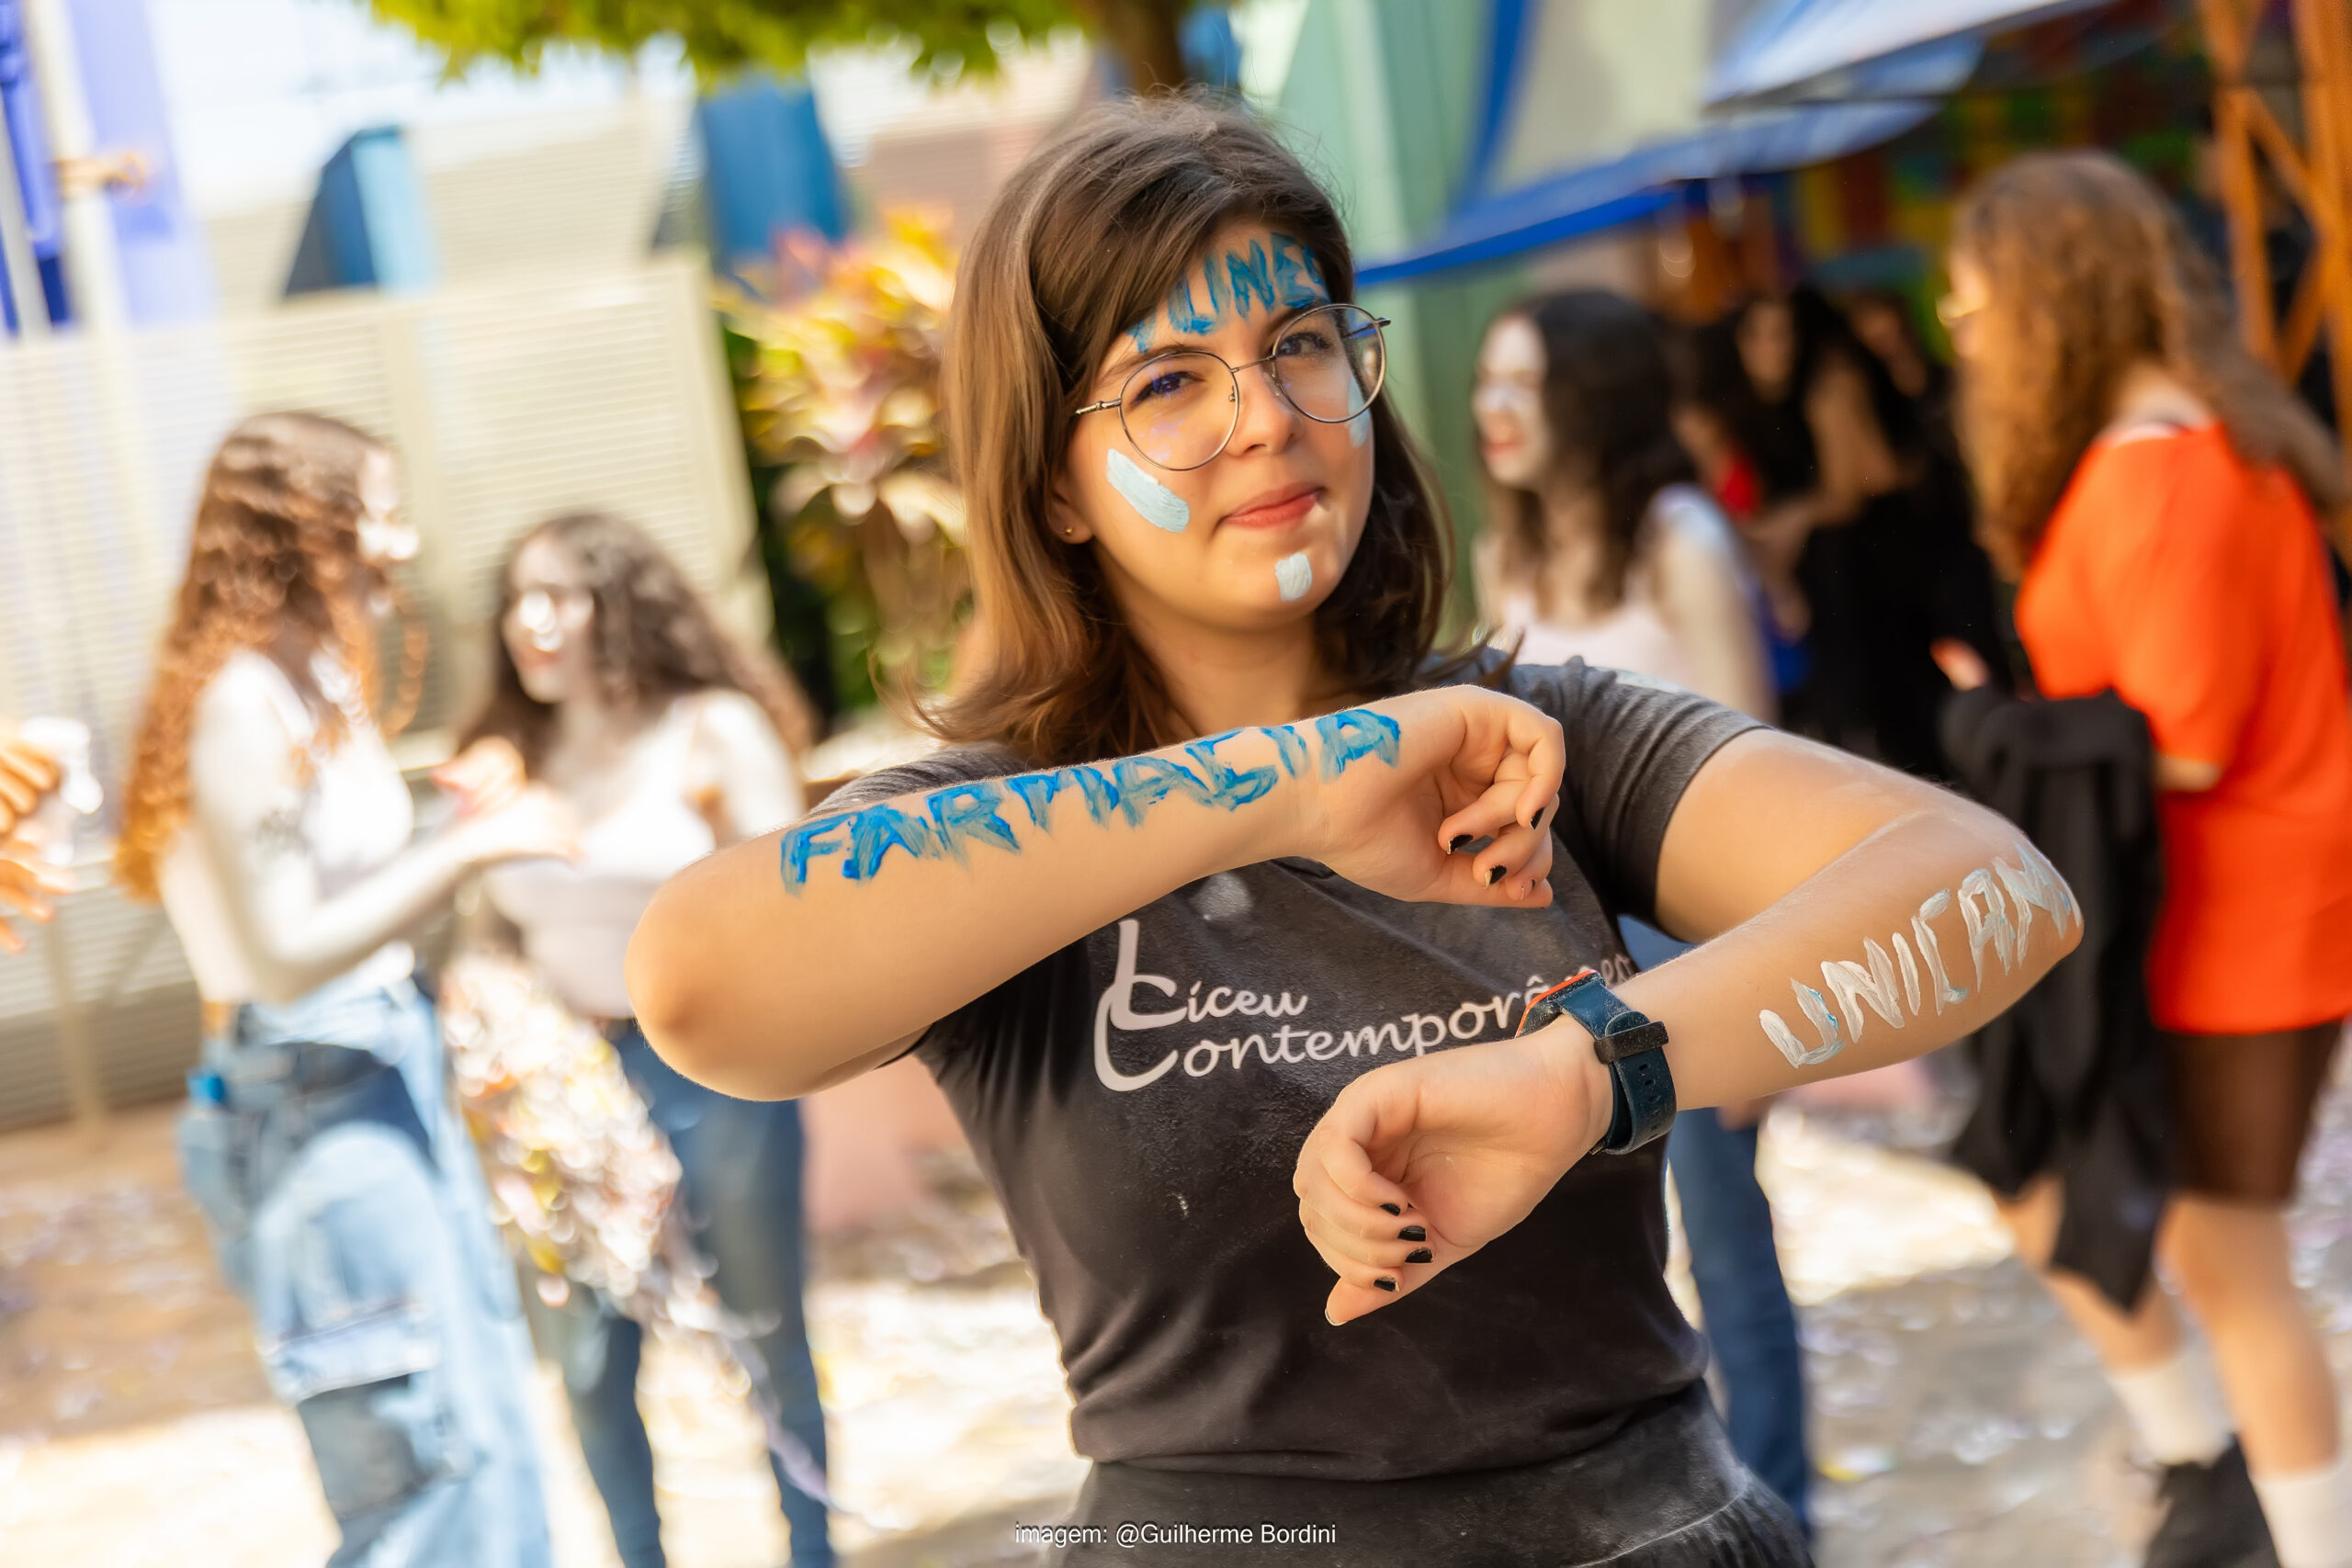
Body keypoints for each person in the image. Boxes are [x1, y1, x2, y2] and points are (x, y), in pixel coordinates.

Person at [622, 96, 2076, 1564]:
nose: (1269, 417)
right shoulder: (1009, 834)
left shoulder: (1535, 736)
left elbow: (2001, 888)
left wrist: (1588, 1071)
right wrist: (1291, 780)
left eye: (1300, 345)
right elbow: (692, 980)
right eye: (1168, 381)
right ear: (1054, 481)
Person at [1934, 151, 2352, 1568]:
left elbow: (2184, 742)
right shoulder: (2180, 446)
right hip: (2207, 910)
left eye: (1974, 302)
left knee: (2237, 1269)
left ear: (2050, 298)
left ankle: (2292, 1530)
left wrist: (1996, 724)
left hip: (2242, 918)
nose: (1963, 332)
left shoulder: (2163, 471)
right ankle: (2213, 1472)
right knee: (2162, 1230)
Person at [115, 412, 569, 1568]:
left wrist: (453, 823)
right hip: (311, 1093)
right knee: (424, 1487)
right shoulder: (238, 701)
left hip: (383, 1061)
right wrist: (467, 852)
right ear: (301, 527)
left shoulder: (312, 676)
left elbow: (342, 893)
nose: (402, 544)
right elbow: (282, 955)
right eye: (379, 512)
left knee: (489, 1441)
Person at [1471, 289, 1809, 1529]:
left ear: (1594, 394)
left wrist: (1767, 997)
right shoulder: (1503, 556)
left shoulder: (1679, 540)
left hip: (1685, 946)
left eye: (1525, 383)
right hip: (1552, 948)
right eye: (1489, 383)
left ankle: (1776, 1516)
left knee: (1724, 1243)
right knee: (1593, 1260)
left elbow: (1758, 776)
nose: (1493, 409)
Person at [441, 509, 834, 1568]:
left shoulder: (712, 731)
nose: (529, 622)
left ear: (621, 603)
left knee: (765, 1335)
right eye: (516, 600)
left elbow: (792, 904)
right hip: (563, 1088)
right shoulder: (510, 756)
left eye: (557, 596)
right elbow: (490, 929)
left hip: (715, 1070)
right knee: (588, 1364)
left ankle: (811, 1551)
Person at [1709, 288, 2008, 776]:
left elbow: (1863, 483)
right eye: (1757, 336)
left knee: (1916, 710)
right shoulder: (1750, 408)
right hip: (1841, 587)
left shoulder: (1831, 382)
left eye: (1781, 333)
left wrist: (1795, 519)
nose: (1771, 348)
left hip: (1889, 571)